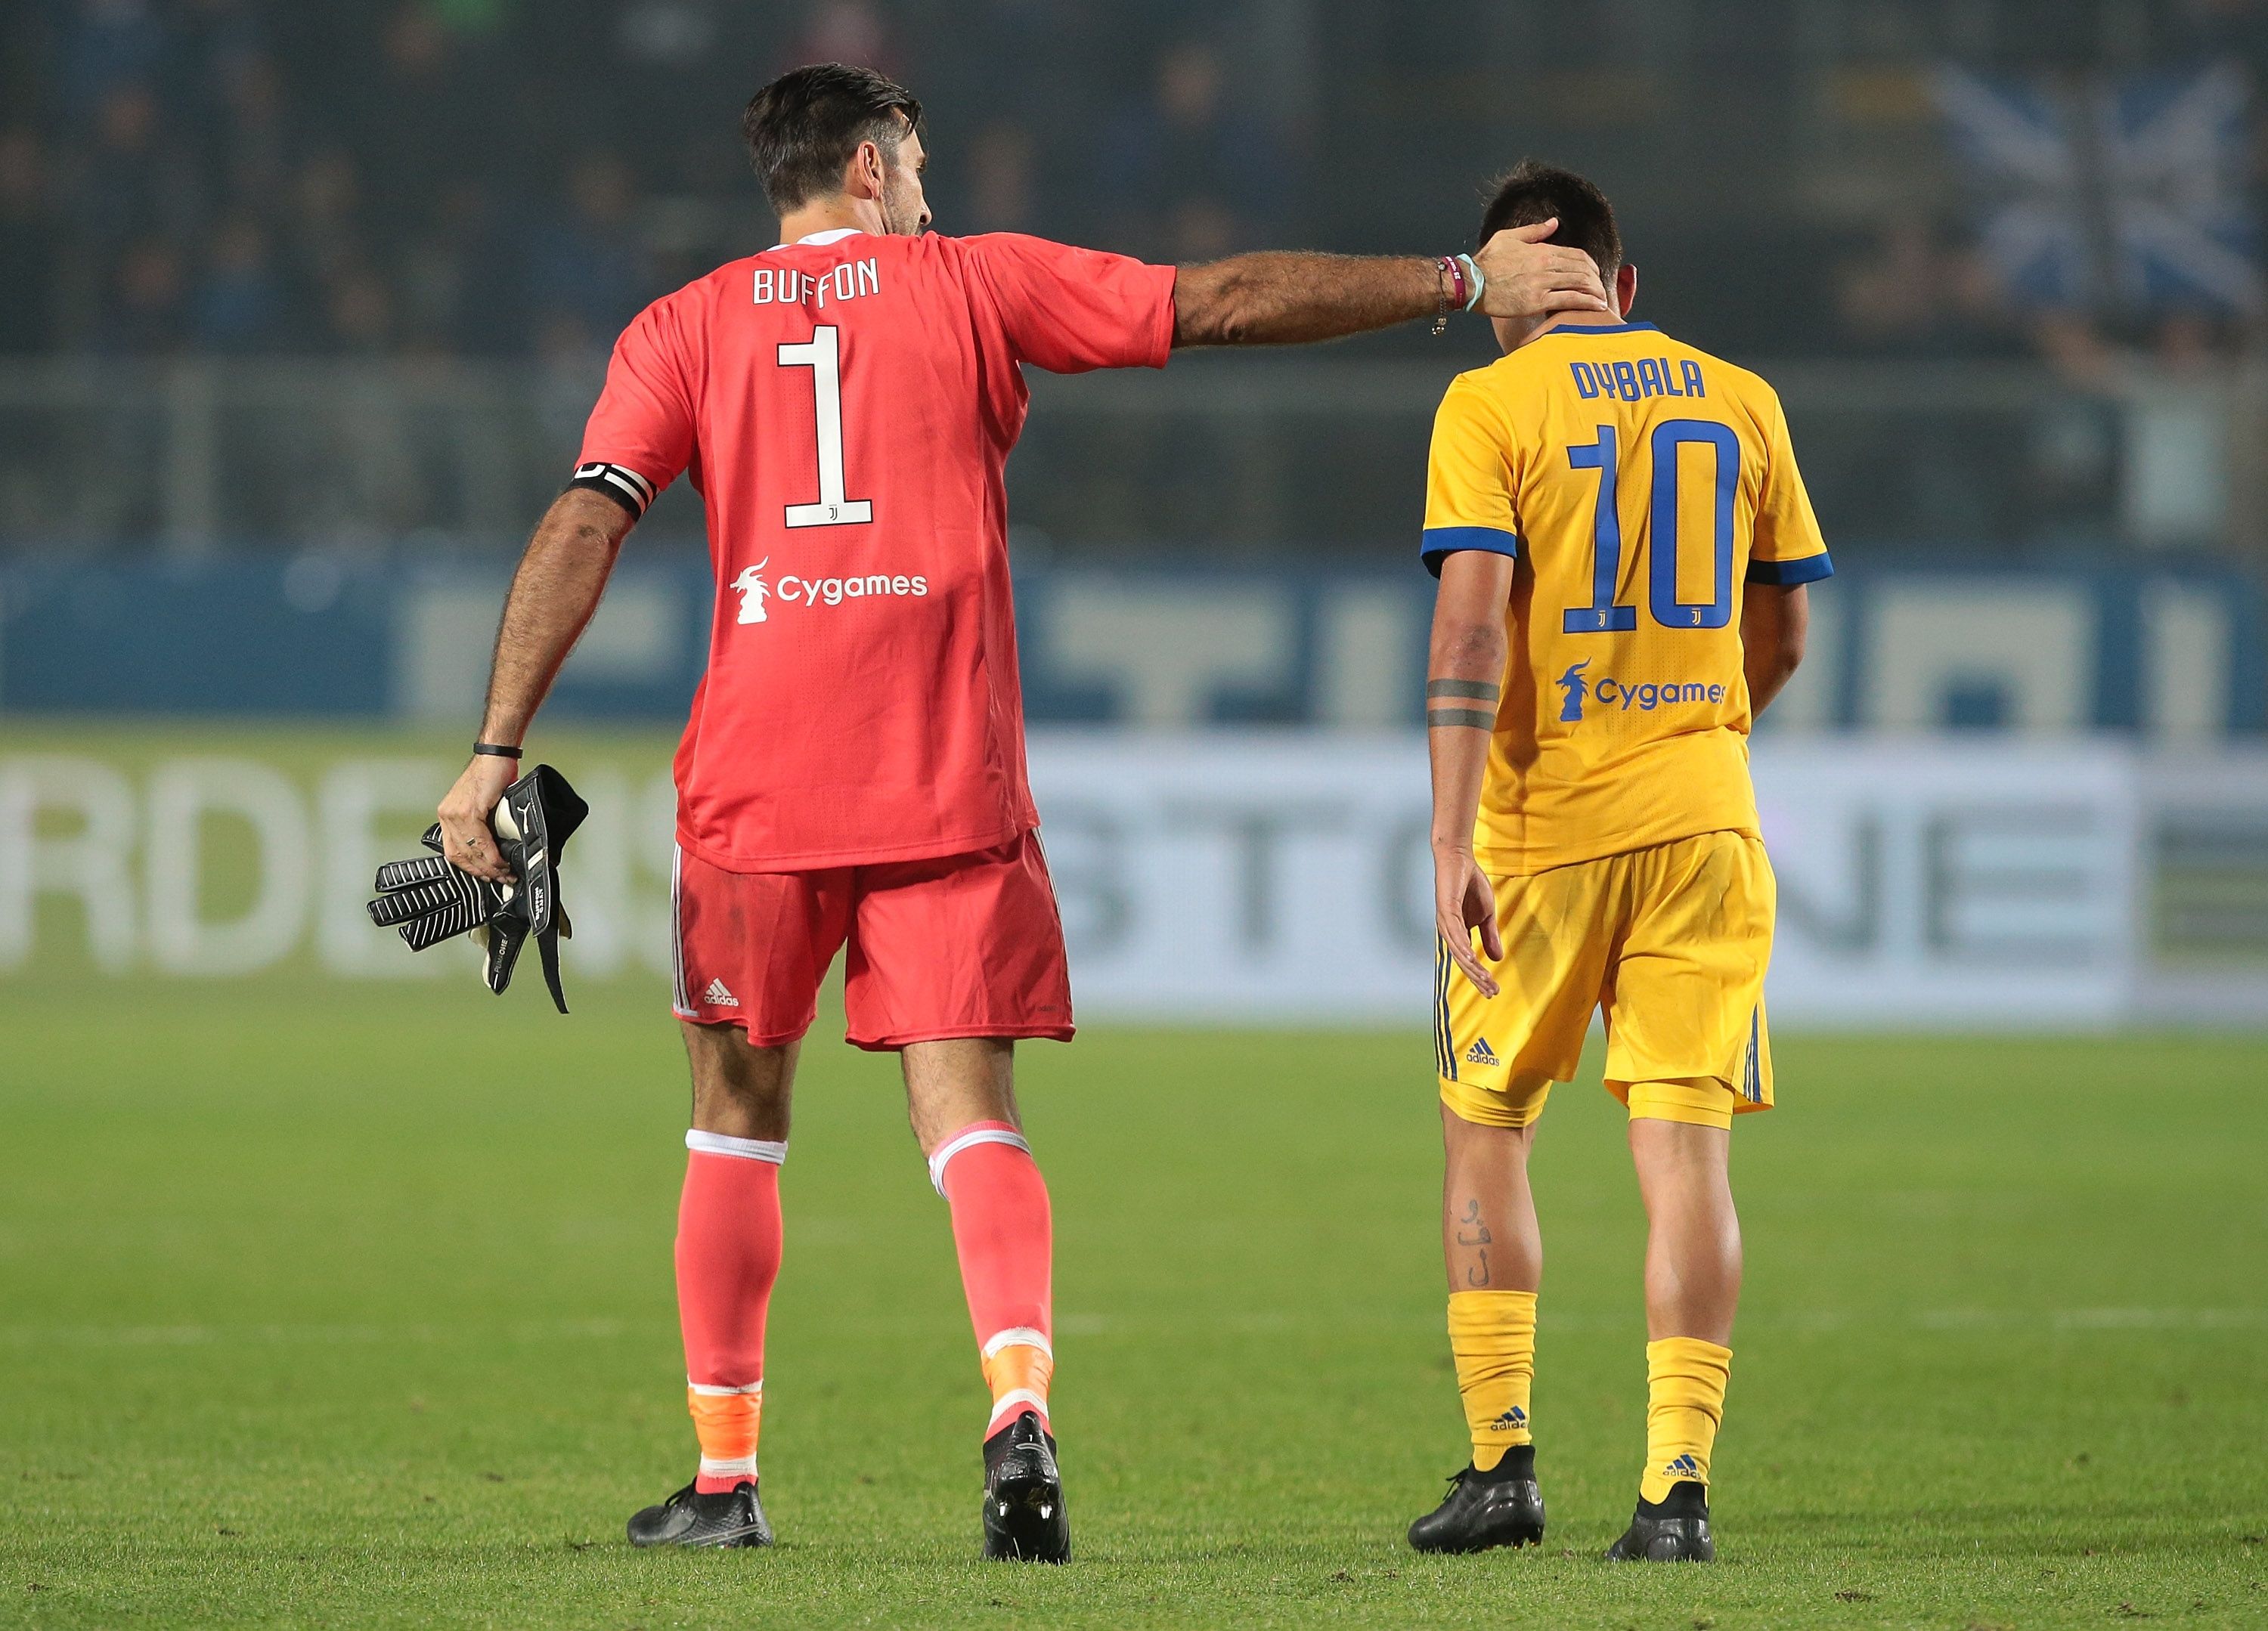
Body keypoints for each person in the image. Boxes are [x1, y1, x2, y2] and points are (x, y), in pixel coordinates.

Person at [430, 65, 1610, 1562]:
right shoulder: (975, 284)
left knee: (733, 1116)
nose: (929, 195)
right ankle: (1018, 1412)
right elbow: (1222, 303)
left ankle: (724, 1481)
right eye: (917, 166)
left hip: (755, 784)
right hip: (942, 773)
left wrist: (495, 748)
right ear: (869, 170)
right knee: (970, 1114)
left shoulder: (680, 326)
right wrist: (1456, 279)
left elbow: (587, 517)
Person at [1406, 161, 1830, 1564]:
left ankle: (1501, 1465)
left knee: (1487, 1127)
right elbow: (1783, 637)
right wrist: (1690, 735)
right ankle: (1677, 1491)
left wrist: (1451, 832)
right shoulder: (1743, 398)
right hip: (1705, 825)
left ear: (1503, 292)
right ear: (1623, 283)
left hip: (1541, 834)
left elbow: (1471, 629)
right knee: (1687, 1152)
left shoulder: (1489, 402)